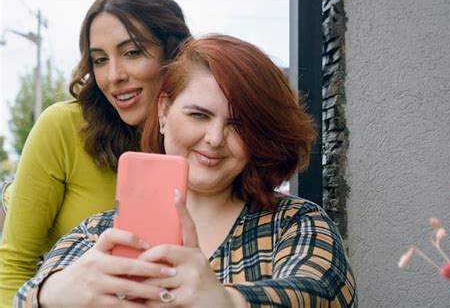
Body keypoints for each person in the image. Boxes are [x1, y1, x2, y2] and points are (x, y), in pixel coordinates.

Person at [15, 35, 357, 307]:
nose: (214, 139)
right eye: (198, 115)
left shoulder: (295, 224)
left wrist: (226, 301)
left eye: (239, 125)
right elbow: (25, 296)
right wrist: (50, 294)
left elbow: (320, 293)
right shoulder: (100, 233)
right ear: (164, 111)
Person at [0, 0, 191, 306]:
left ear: (174, 53)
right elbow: (13, 265)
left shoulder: (200, 138)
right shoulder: (64, 127)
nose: (113, 75)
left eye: (131, 52)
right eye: (100, 60)